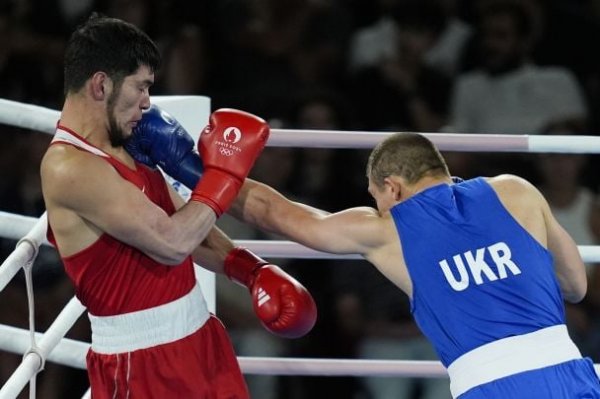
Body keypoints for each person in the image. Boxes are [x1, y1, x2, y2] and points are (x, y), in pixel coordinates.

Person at [129, 115, 600, 397]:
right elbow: (575, 284)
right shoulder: (516, 191)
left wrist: (184, 163)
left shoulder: (389, 230)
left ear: (391, 188)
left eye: (375, 195)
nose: (376, 205)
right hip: (574, 373)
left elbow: (276, 213)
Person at [40, 14, 317, 399]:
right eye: (140, 87)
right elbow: (171, 242)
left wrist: (249, 269)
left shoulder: (129, 140)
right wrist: (225, 174)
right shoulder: (68, 167)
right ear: (101, 84)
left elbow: (185, 218)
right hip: (140, 364)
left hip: (200, 336)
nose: (147, 103)